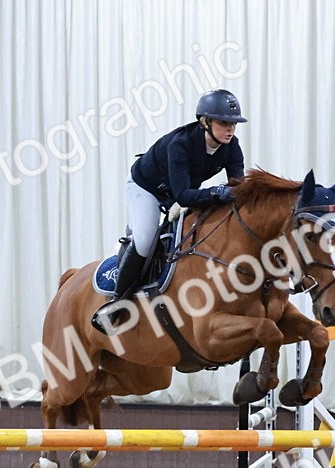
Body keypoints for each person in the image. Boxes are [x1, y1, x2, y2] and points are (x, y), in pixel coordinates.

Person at [92, 88, 247, 333]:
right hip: (146, 187)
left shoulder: (232, 146)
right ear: (205, 122)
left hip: (176, 191)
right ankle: (116, 305)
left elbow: (238, 187)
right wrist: (217, 192)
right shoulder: (181, 144)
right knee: (145, 239)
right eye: (223, 122)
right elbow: (184, 197)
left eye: (233, 124)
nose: (230, 129)